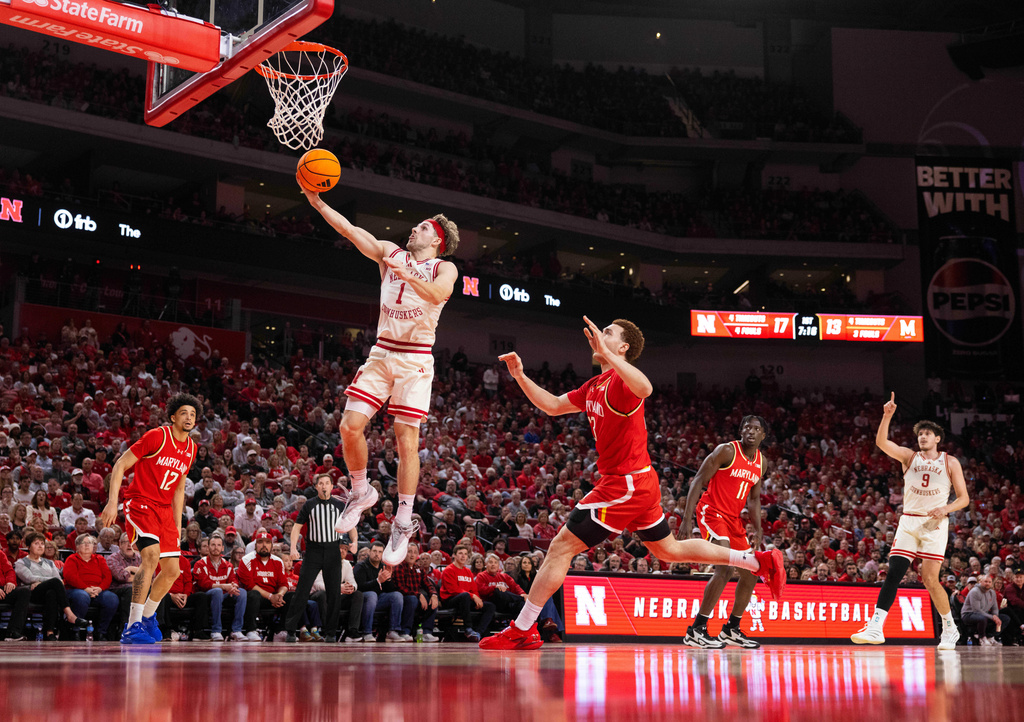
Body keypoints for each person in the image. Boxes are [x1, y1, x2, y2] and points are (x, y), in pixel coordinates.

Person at [481, 317, 784, 650]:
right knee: (669, 551)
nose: (600, 335)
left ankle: (523, 628)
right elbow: (552, 405)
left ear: (622, 347)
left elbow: (646, 388)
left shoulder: (623, 384)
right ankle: (756, 562)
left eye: (608, 333)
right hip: (639, 483)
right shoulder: (595, 385)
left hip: (624, 485)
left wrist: (609, 356)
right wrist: (520, 376)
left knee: (560, 547)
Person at [303, 186, 460, 565]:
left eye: (421, 228)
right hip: (382, 351)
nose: (413, 231)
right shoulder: (391, 253)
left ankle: (403, 519)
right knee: (349, 426)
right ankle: (362, 491)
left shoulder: (444, 267)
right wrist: (319, 203)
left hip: (415, 360)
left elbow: (438, 295)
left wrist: (407, 272)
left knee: (406, 439)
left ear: (436, 239)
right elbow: (351, 231)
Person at [851, 396, 967, 651]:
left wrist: (945, 508)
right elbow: (881, 442)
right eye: (920, 434)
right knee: (893, 573)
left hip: (934, 525)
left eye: (928, 434)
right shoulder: (908, 457)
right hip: (909, 522)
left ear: (938, 438)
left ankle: (949, 627)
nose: (923, 437)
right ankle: (876, 627)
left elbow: (964, 499)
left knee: (929, 580)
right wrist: (887, 415)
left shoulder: (950, 462)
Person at [101, 393, 201, 645]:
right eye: (184, 413)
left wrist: (177, 524)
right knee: (151, 556)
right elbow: (120, 465)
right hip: (141, 502)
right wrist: (113, 502)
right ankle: (132, 625)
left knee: (172, 571)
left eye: (193, 414)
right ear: (172, 417)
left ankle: (146, 617)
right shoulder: (158, 436)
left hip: (165, 511)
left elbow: (179, 489)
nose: (189, 418)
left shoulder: (191, 448)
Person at [680, 415, 768, 649]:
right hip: (712, 512)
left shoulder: (761, 462)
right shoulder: (727, 451)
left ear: (763, 436)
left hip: (733, 520)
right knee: (726, 567)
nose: (751, 431)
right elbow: (698, 480)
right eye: (746, 426)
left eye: (756, 428)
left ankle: (731, 629)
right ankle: (696, 629)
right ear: (741, 431)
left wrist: (758, 529)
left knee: (751, 573)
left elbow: (755, 499)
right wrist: (686, 520)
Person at [284, 474, 356, 643]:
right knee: (302, 590)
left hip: (333, 550)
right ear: (316, 486)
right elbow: (297, 527)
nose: (324, 486)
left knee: (333, 594)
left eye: (327, 483)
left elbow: (350, 524)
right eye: (321, 483)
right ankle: (291, 629)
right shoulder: (309, 504)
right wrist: (293, 547)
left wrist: (355, 541)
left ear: (332, 486)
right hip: (313, 551)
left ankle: (331, 632)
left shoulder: (340, 505)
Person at [12, 531, 84, 640]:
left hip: (47, 593)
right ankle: (69, 615)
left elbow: (59, 580)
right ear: (28, 546)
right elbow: (29, 578)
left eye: (42, 543)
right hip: (30, 593)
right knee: (54, 583)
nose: (40, 546)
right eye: (36, 543)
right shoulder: (21, 562)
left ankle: (49, 632)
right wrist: (47, 582)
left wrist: (41, 582)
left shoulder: (49, 563)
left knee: (52, 593)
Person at [238, 531, 293, 641]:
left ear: (271, 546)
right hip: (257, 598)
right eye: (260, 542)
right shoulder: (246, 560)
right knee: (253, 594)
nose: (264, 545)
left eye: (267, 542)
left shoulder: (278, 561)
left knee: (292, 596)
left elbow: (283, 584)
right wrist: (270, 597)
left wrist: (279, 595)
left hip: (274, 598)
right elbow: (250, 585)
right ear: (255, 545)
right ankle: (251, 630)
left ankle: (282, 630)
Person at [192, 535, 249, 641]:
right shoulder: (200, 563)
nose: (216, 547)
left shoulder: (228, 565)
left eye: (218, 545)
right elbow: (204, 584)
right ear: (208, 547)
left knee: (241, 592)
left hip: (225, 595)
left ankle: (237, 630)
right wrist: (223, 586)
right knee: (217, 591)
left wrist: (233, 587)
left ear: (223, 548)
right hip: (207, 596)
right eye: (213, 545)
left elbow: (234, 581)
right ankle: (216, 630)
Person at [63, 534, 120, 640]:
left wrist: (100, 588)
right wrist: (86, 588)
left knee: (111, 599)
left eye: (89, 543)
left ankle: (101, 632)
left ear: (94, 546)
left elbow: (107, 576)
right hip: (76, 590)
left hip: (97, 591)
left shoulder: (100, 559)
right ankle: (75, 631)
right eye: (83, 543)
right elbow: (70, 577)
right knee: (82, 596)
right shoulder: (72, 559)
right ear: (77, 547)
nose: (86, 545)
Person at [440, 544, 495, 642]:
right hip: (450, 600)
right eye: (460, 553)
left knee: (490, 606)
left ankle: (478, 633)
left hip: (466, 600)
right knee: (464, 595)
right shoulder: (448, 570)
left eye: (465, 554)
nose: (463, 556)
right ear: (454, 556)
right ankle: (468, 629)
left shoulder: (468, 571)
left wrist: (477, 598)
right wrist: (473, 596)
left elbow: (474, 589)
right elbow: (453, 590)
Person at [310, 545, 364, 643]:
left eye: (345, 549)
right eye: (340, 548)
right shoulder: (321, 561)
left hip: (337, 595)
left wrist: (351, 588)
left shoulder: (346, 564)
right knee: (323, 594)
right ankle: (327, 631)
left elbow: (353, 583)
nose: (342, 551)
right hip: (317, 595)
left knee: (357, 594)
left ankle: (352, 631)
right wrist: (337, 588)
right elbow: (317, 584)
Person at [353, 540, 404, 641]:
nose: (377, 554)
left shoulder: (384, 567)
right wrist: (378, 581)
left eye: (380, 552)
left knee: (397, 595)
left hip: (379, 599)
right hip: (363, 599)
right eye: (375, 551)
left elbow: (390, 590)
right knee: (372, 595)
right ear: (370, 552)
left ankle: (393, 631)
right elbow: (359, 587)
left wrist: (388, 579)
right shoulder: (361, 566)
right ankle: (367, 632)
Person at [393, 542, 440, 642]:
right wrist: (418, 594)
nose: (412, 555)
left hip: (416, 597)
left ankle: (426, 632)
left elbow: (428, 584)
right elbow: (401, 587)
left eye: (415, 552)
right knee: (412, 599)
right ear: (404, 553)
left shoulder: (419, 568)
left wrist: (434, 595)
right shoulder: (399, 566)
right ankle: (405, 631)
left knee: (432, 601)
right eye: (409, 552)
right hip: (402, 598)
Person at [961, 574, 1010, 646]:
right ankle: (982, 638)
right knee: (982, 618)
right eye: (985, 581)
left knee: (1005, 618)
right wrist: (992, 617)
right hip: (968, 614)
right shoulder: (975, 591)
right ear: (980, 582)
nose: (988, 583)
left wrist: (995, 616)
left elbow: (995, 608)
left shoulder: (992, 592)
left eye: (989, 582)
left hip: (983, 614)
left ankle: (990, 637)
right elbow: (976, 610)